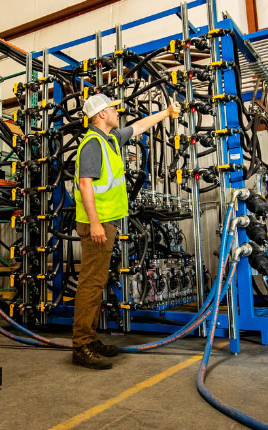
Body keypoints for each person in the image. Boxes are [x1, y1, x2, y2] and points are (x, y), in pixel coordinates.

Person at [72, 93, 181, 369]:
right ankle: (81, 345)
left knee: (97, 282)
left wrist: (167, 113)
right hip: (97, 224)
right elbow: (85, 185)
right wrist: (95, 223)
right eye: (112, 109)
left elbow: (139, 126)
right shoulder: (93, 144)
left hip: (106, 222)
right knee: (91, 283)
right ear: (101, 115)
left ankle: (90, 339)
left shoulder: (110, 139)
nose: (116, 112)